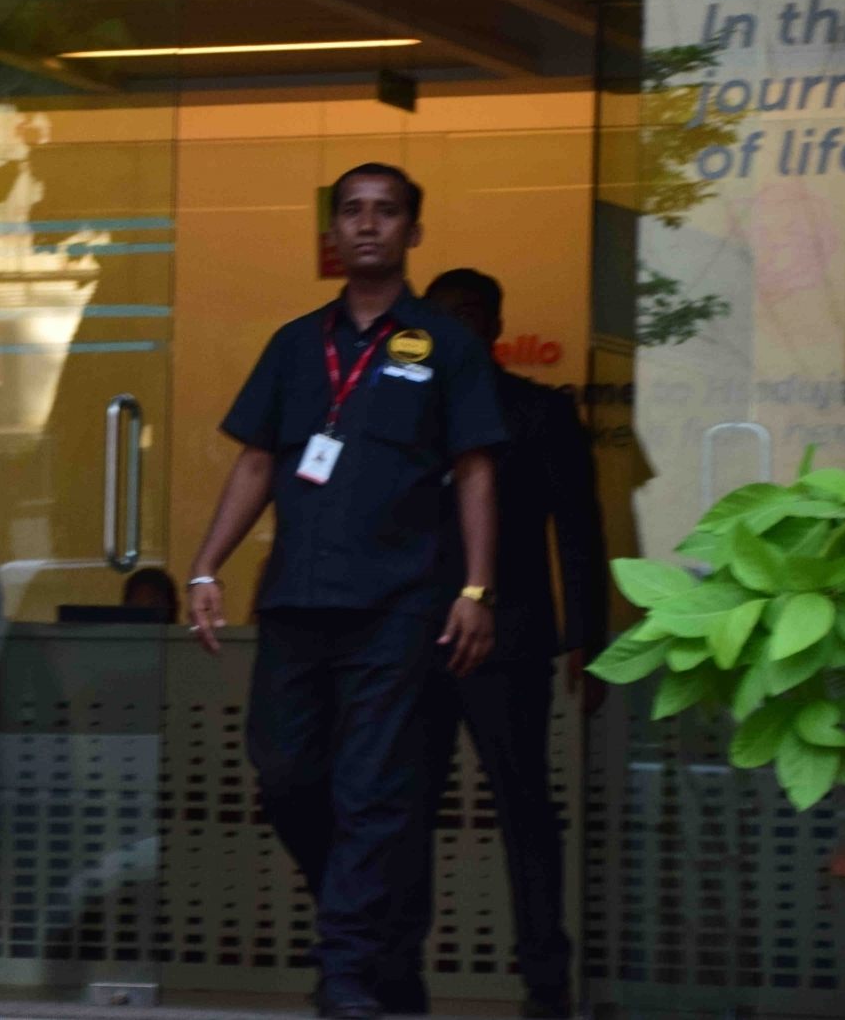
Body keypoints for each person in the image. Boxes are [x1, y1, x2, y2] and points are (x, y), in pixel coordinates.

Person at [182, 163, 506, 1020]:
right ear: (332, 232)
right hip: (296, 597)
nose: (367, 224)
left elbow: (476, 469)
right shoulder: (296, 343)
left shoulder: (446, 344)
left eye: (385, 211)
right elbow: (257, 461)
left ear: (412, 230)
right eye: (352, 212)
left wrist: (476, 586)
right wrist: (207, 565)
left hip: (401, 603)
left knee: (371, 788)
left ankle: (348, 973)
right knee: (285, 774)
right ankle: (382, 932)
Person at [394, 268, 609, 1018]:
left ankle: (546, 984)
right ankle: (395, 976)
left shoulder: (539, 410)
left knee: (525, 810)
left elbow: (579, 532)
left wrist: (589, 641)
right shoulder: (402, 409)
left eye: (472, 315)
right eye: (445, 315)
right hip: (411, 642)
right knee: (403, 809)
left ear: (495, 326)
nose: (459, 327)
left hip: (508, 642)